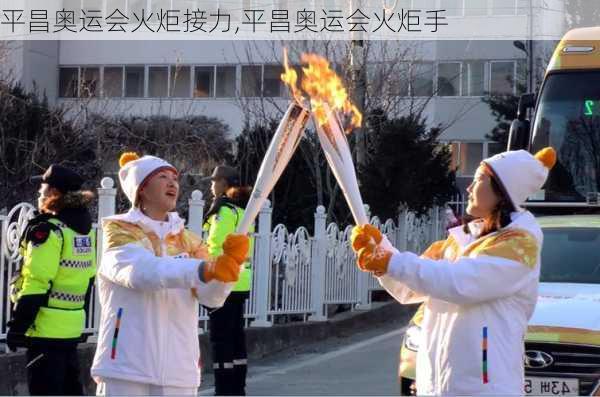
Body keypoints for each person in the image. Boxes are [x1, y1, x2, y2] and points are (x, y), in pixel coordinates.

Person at [351, 147, 557, 395]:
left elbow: (459, 283)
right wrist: (381, 251)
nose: (469, 188)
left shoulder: (519, 245)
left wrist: (391, 262)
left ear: (503, 191)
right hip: (438, 386)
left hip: (485, 389)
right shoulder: (460, 241)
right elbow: (411, 288)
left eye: (480, 179)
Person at [91, 153, 249, 396]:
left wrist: (228, 269)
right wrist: (204, 269)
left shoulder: (189, 240)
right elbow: (141, 273)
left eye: (174, 178)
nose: (172, 183)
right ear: (142, 189)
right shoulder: (119, 230)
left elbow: (211, 297)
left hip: (179, 369)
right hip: (126, 367)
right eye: (162, 177)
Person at [7, 164, 96, 395]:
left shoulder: (48, 231)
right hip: (71, 327)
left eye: (42, 190)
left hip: (44, 328)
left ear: (54, 194)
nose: (38, 195)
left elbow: (37, 281)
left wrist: (18, 326)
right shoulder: (83, 232)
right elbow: (87, 279)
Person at [203, 165, 253, 396]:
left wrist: (204, 270)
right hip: (241, 281)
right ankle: (237, 388)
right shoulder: (242, 211)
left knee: (220, 338)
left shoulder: (223, 211)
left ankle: (224, 390)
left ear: (224, 184)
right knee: (236, 337)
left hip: (223, 282)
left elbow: (216, 245)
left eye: (214, 181)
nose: (211, 185)